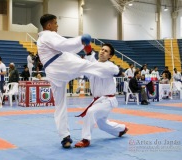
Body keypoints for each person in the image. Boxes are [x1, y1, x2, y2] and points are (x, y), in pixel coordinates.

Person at [37, 14, 121, 148]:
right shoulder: (48, 35)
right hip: (60, 64)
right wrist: (81, 40)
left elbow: (64, 46)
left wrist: (82, 46)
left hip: (53, 72)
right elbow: (64, 44)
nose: (57, 25)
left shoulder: (42, 39)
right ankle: (116, 70)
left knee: (59, 104)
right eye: (55, 23)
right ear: (49, 25)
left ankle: (65, 137)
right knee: (88, 66)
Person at [75, 43, 128, 148]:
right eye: (102, 49)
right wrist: (89, 55)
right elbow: (91, 65)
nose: (102, 51)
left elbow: (116, 71)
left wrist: (89, 54)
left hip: (107, 100)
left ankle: (86, 139)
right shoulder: (93, 65)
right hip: (97, 100)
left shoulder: (109, 66)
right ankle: (121, 129)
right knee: (102, 124)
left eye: (106, 51)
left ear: (110, 56)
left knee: (90, 112)